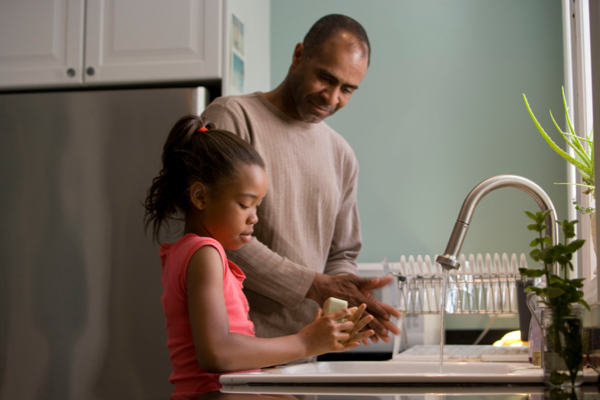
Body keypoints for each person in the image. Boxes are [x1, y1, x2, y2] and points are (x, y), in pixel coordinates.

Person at [201, 14, 400, 346]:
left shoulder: (341, 154)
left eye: (347, 89)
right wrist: (315, 285)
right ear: (298, 56)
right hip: (236, 348)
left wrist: (345, 291)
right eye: (326, 77)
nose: (332, 98)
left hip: (306, 350)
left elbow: (341, 253)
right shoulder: (232, 117)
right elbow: (215, 234)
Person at [144, 115, 374, 395]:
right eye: (245, 204)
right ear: (201, 197)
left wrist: (316, 339)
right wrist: (306, 343)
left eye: (258, 206)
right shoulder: (205, 253)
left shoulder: (187, 252)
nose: (255, 218)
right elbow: (217, 354)